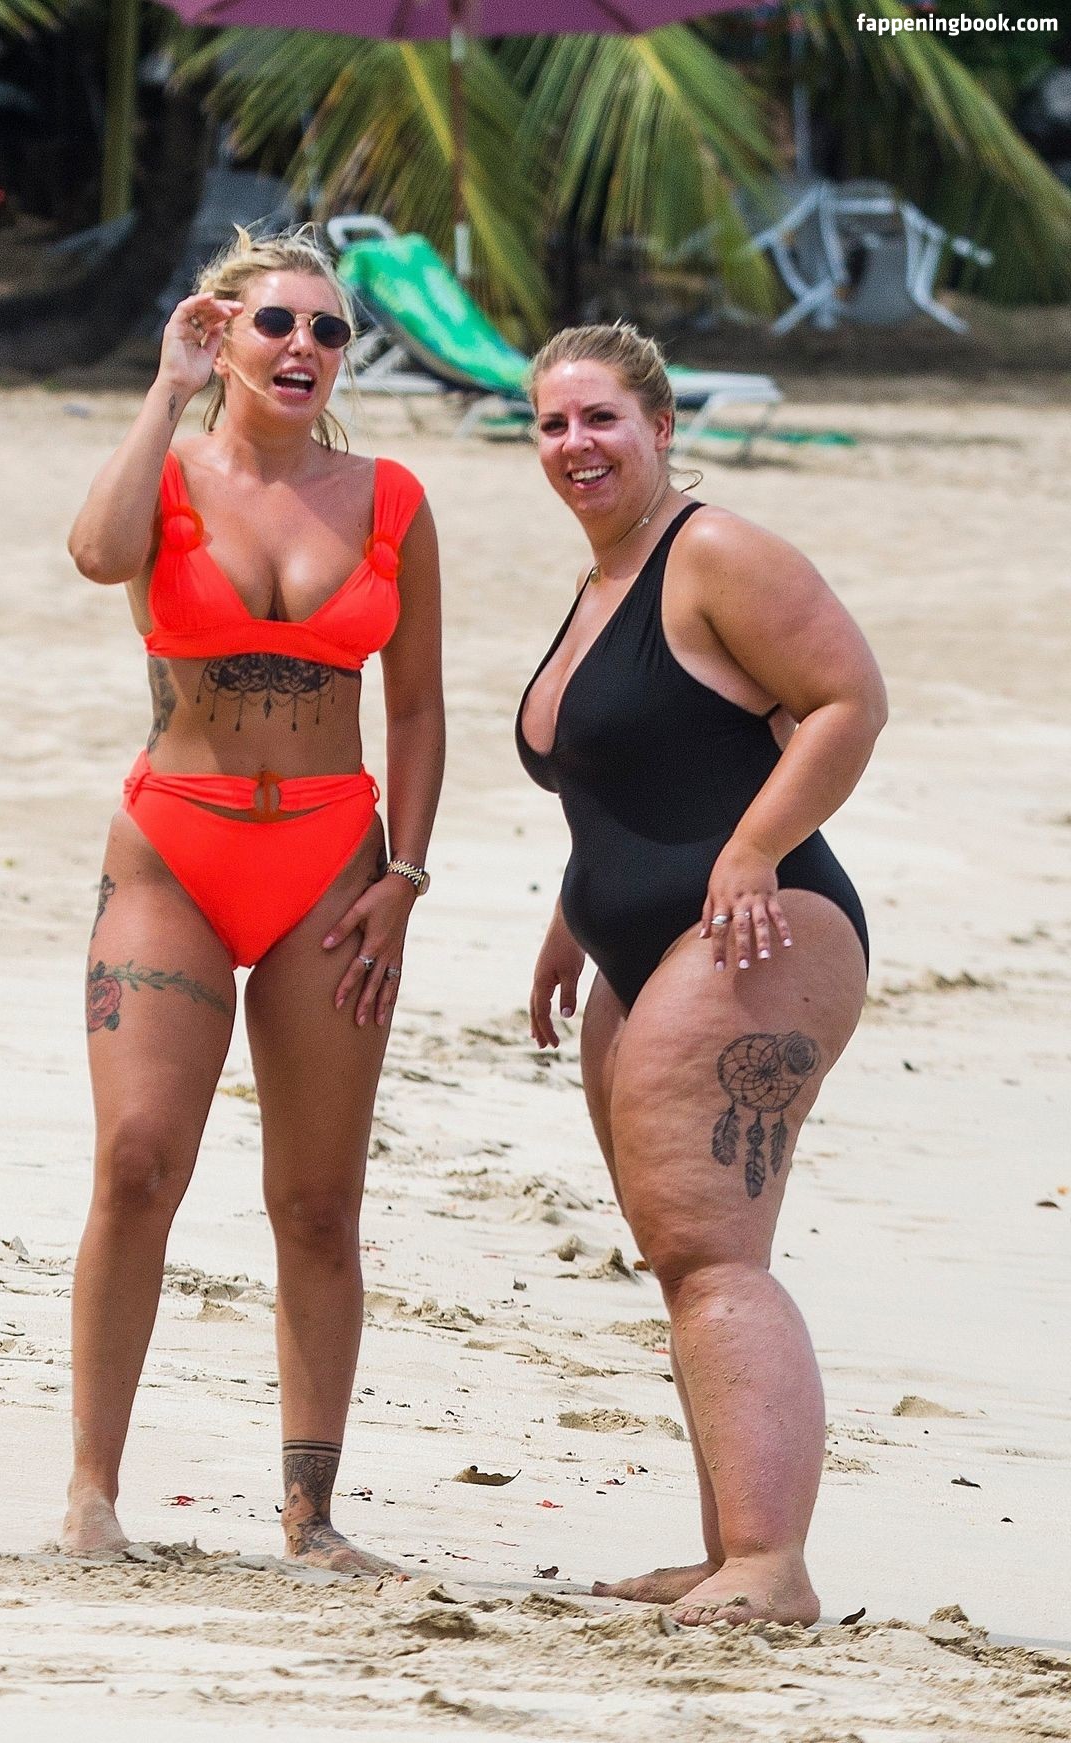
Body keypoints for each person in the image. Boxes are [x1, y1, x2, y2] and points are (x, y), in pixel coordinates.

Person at [61, 229, 445, 1573]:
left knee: (319, 1201)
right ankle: (92, 1496)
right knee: (136, 1162)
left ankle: (311, 1514)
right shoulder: (166, 475)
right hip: (175, 850)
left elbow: (418, 706)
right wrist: (165, 393)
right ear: (220, 334)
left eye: (330, 331)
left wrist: (405, 877)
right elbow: (95, 556)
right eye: (276, 323)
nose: (305, 348)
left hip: (333, 866)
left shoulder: (391, 498)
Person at [518, 324, 886, 1625]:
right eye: (552, 423)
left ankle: (771, 1565)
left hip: (759, 927)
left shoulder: (713, 550)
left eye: (601, 418)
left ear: (662, 427)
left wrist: (754, 846)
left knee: (716, 1251)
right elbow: (630, 782)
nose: (575, 444)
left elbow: (848, 701)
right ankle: (728, 1544)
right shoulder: (602, 581)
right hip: (637, 948)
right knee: (685, 1260)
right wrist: (573, 922)